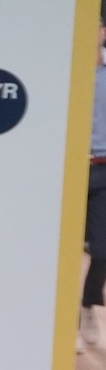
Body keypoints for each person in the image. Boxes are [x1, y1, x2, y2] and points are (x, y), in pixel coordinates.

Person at [84, 18, 106, 351]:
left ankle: (87, 307)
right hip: (66, 171)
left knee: (102, 249)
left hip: (103, 169)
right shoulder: (65, 74)